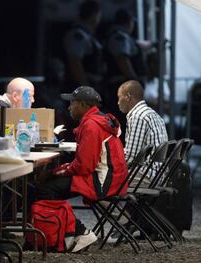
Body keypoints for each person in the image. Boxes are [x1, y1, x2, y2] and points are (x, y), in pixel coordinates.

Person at [35, 86, 128, 252]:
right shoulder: (100, 119)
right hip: (111, 178)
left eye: (72, 103)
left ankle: (78, 232)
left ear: (84, 105)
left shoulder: (91, 125)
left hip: (102, 182)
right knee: (48, 185)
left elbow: (83, 166)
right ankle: (66, 234)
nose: (69, 107)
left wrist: (52, 172)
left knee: (45, 189)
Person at [104, 8, 149, 141]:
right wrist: (135, 82)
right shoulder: (120, 36)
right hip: (123, 88)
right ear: (129, 23)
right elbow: (122, 59)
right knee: (123, 123)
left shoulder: (121, 36)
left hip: (123, 88)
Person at [117, 80, 168, 187]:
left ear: (128, 97)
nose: (118, 102)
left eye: (119, 97)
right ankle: (122, 204)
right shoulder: (152, 113)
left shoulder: (137, 116)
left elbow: (131, 157)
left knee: (102, 180)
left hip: (147, 174)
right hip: (159, 173)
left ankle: (116, 204)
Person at [63, 0, 103, 91]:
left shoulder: (88, 35)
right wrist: (86, 88)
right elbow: (74, 62)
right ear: (94, 15)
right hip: (79, 88)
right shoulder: (78, 35)